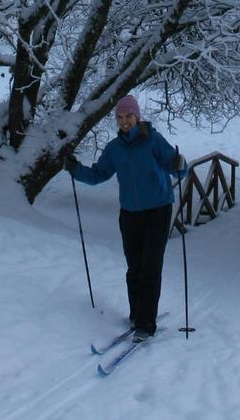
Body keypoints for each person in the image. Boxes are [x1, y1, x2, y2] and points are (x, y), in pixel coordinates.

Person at [64, 94, 187, 342]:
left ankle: (146, 322)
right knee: (134, 268)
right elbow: (99, 174)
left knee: (151, 266)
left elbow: (179, 169)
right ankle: (136, 314)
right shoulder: (114, 148)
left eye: (128, 116)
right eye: (120, 117)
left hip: (158, 210)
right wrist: (75, 169)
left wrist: (179, 164)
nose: (124, 121)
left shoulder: (153, 141)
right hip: (129, 214)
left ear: (137, 116)